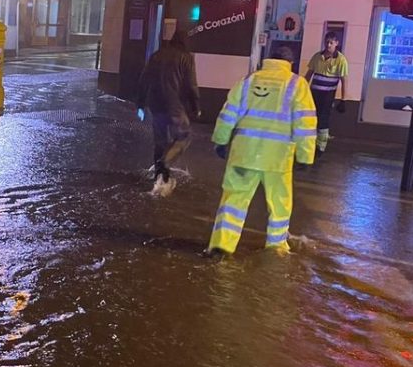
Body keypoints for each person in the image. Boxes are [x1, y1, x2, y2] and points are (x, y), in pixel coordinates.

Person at [204, 53, 317, 258]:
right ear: (289, 63)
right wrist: (305, 156)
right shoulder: (297, 84)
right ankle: (276, 247)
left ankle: (221, 245)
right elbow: (305, 124)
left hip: (243, 154)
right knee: (279, 203)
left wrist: (220, 140)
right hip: (277, 159)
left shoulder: (248, 81)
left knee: (233, 200)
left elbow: (228, 113)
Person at [137, 30, 201, 192]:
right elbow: (191, 85)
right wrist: (196, 107)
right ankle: (165, 162)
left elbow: (144, 79)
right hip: (175, 106)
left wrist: (140, 103)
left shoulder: (157, 55)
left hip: (156, 105)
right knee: (184, 136)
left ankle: (160, 178)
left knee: (160, 141)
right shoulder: (186, 58)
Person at [304, 32, 349, 157]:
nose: (328, 45)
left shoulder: (341, 60)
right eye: (327, 42)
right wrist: (302, 89)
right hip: (314, 93)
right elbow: (309, 75)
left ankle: (321, 146)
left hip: (328, 94)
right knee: (311, 118)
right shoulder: (317, 57)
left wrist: (343, 100)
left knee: (323, 119)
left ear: (336, 44)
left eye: (331, 42)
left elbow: (344, 80)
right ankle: (310, 143)